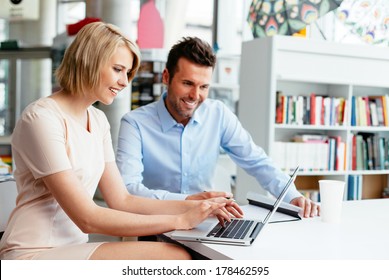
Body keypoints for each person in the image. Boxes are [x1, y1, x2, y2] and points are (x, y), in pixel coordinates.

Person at [0, 23, 242, 260]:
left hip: (73, 247)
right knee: (174, 257)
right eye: (118, 69)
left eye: (128, 73)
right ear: (89, 60)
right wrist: (180, 219)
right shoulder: (41, 118)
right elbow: (86, 218)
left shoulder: (97, 120)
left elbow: (122, 200)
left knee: (176, 255)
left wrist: (195, 206)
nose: (126, 82)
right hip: (32, 251)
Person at [117, 36, 320, 218]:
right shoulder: (135, 123)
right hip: (154, 221)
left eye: (203, 87)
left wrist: (292, 196)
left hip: (204, 220)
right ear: (166, 77)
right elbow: (128, 189)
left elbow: (257, 161)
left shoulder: (218, 114)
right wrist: (188, 202)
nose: (195, 96)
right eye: (187, 83)